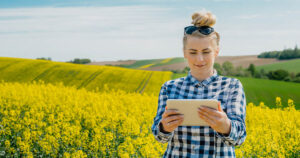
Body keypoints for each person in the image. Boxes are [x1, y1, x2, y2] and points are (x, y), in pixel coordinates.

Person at [151, 10, 247, 158]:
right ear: (184, 53)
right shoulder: (169, 88)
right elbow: (159, 137)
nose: (200, 59)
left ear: (216, 51)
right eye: (193, 52)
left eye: (206, 52)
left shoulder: (232, 87)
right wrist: (164, 127)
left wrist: (225, 126)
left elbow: (240, 138)